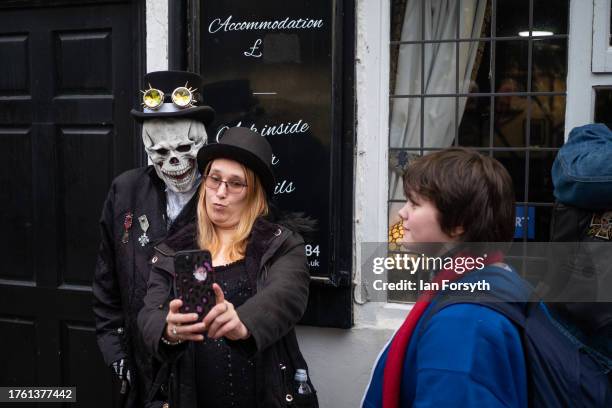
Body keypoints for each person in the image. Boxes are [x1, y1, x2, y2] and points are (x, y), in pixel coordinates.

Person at [138, 127, 318, 407]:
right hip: (191, 395)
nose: (220, 192)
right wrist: (169, 329)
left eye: (236, 183)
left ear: (254, 194)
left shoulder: (280, 244)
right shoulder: (174, 249)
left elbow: (288, 295)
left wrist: (243, 321)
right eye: (215, 179)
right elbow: (149, 312)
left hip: (263, 394)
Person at [362, 147, 526, 407]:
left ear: (458, 222)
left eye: (414, 203)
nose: (402, 213)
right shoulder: (489, 279)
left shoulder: (464, 321)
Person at [92, 70, 215, 407]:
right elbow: (107, 283)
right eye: (160, 153)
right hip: (142, 368)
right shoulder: (125, 191)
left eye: (184, 148)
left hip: (205, 371)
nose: (174, 162)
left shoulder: (223, 194)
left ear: (202, 143)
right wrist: (115, 350)